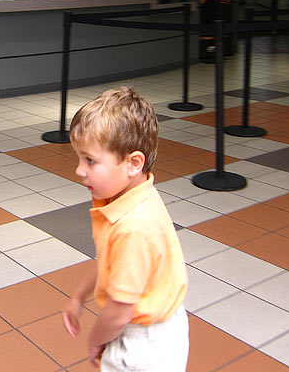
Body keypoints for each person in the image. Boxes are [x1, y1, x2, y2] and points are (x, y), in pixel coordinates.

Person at [62, 87, 189, 371]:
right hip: (155, 330)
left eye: (90, 160)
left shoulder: (134, 227)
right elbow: (109, 261)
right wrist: (79, 296)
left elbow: (119, 313)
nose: (79, 170)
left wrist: (95, 340)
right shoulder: (132, 198)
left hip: (143, 344)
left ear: (133, 163)